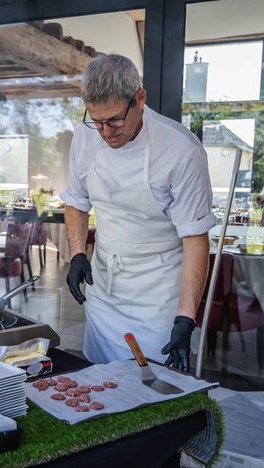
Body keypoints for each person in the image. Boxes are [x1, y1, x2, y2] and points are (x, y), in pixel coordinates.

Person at [61, 54, 215, 372]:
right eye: (97, 120)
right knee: (97, 382)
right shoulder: (85, 136)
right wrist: (77, 254)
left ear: (140, 98)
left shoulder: (181, 150)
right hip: (105, 288)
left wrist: (186, 318)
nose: (105, 132)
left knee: (150, 389)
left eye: (115, 120)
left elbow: (196, 240)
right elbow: (76, 200)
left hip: (157, 296)